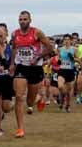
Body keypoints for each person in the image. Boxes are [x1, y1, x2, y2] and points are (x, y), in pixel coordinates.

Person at [9, 10, 52, 138]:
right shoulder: (14, 34)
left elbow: (50, 47)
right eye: (20, 19)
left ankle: (39, 99)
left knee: (29, 101)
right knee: (18, 96)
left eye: (25, 19)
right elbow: (14, 49)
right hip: (21, 67)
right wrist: (12, 64)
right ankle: (20, 129)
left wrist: (37, 57)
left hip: (35, 67)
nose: (22, 22)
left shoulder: (37, 32)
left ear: (30, 20)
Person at [0, 24, 14, 136]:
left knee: (6, 108)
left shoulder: (10, 48)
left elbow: (12, 63)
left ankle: (9, 106)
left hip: (6, 79)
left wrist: (7, 67)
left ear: (5, 36)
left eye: (0, 36)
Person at [56, 35, 78, 112]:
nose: (67, 41)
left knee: (69, 91)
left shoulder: (74, 49)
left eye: (68, 39)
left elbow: (78, 60)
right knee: (60, 87)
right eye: (65, 39)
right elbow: (58, 58)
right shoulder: (60, 49)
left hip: (70, 71)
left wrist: (72, 58)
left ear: (71, 41)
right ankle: (63, 98)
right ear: (63, 41)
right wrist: (58, 61)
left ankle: (67, 106)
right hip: (62, 70)